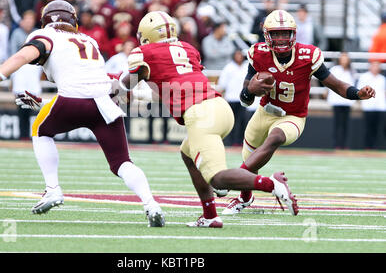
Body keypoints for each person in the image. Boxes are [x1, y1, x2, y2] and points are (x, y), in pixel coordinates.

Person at [0, 0, 165, 227]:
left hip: (73, 99)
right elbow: (92, 84)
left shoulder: (47, 36)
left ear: (47, 20)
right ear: (72, 20)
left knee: (40, 130)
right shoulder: (89, 40)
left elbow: (22, 57)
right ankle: (151, 204)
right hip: (103, 102)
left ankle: (53, 189)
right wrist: (45, 102)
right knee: (122, 163)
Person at [120, 11, 300, 228]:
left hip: (200, 114)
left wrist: (115, 89)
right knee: (187, 153)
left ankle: (272, 184)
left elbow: (128, 83)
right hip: (220, 108)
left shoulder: (142, 52)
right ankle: (210, 215)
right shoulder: (188, 49)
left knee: (218, 178)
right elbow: (170, 85)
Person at [222, 10, 376, 215]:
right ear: (267, 35)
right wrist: (249, 90)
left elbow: (335, 84)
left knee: (274, 137)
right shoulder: (258, 54)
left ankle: (232, 178)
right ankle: (245, 197)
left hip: (293, 117)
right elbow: (244, 100)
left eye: (285, 33)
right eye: (276, 34)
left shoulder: (307, 55)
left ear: (294, 34)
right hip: (264, 112)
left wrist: (358, 93)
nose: (281, 38)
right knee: (250, 157)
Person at [8, 10, 42, 140]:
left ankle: (35, 134)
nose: (28, 22)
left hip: (33, 70)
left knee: (34, 105)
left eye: (30, 19)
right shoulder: (16, 33)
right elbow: (13, 53)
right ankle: (22, 135)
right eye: (26, 19)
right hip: (20, 70)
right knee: (21, 106)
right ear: (22, 21)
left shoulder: (37, 34)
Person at [217, 50, 248, 146]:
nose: (239, 57)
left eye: (240, 54)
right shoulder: (229, 67)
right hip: (231, 98)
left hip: (243, 99)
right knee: (231, 121)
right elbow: (222, 84)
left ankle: (239, 141)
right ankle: (230, 142)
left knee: (243, 121)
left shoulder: (247, 66)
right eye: (237, 54)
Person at [325, 53, 356, 149]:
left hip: (347, 102)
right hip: (336, 100)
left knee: (345, 125)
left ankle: (344, 145)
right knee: (337, 124)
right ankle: (336, 145)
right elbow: (329, 82)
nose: (344, 60)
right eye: (342, 58)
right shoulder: (335, 69)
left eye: (345, 58)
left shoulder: (351, 71)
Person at [356, 61, 386, 150]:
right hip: (368, 107)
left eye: (377, 66)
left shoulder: (382, 78)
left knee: (380, 129)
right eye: (374, 66)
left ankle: (379, 147)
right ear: (370, 67)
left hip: (381, 107)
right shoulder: (364, 77)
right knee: (369, 128)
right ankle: (368, 147)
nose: (375, 68)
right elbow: (359, 91)